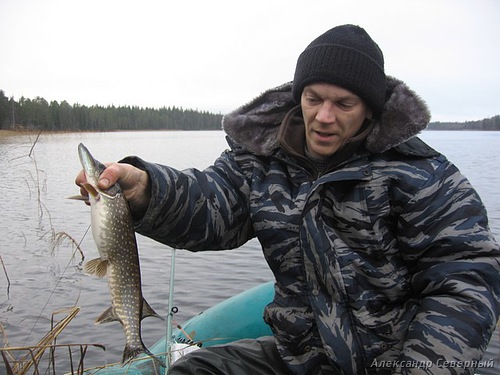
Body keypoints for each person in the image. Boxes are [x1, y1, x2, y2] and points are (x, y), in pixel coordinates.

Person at [76, 25, 500, 374]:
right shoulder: (261, 160)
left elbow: (466, 280)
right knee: (193, 371)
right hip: (303, 359)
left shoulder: (423, 175)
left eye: (343, 104)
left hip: (393, 359)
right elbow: (210, 204)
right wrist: (147, 188)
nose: (324, 116)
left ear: (369, 110)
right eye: (314, 99)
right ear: (299, 97)